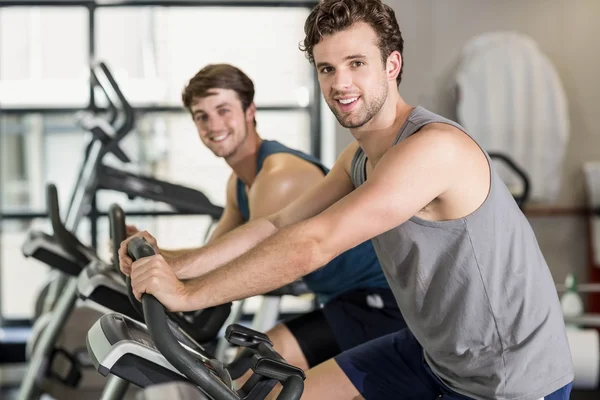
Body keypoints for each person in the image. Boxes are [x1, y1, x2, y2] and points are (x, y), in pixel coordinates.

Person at [119, 0, 574, 398]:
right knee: (275, 395)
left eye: (357, 63)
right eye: (327, 68)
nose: (341, 83)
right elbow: (277, 224)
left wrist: (187, 295)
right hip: (434, 352)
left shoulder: (434, 148)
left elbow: (314, 242)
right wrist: (176, 263)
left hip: (506, 376)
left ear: (392, 65)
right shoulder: (358, 155)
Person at [120, 63, 407, 377]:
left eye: (223, 110)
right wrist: (156, 256)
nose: (213, 124)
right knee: (250, 369)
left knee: (255, 370)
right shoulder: (240, 181)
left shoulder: (278, 176)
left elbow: (254, 260)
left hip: (382, 302)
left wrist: (179, 285)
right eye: (202, 116)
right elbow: (217, 252)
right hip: (342, 300)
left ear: (249, 111)